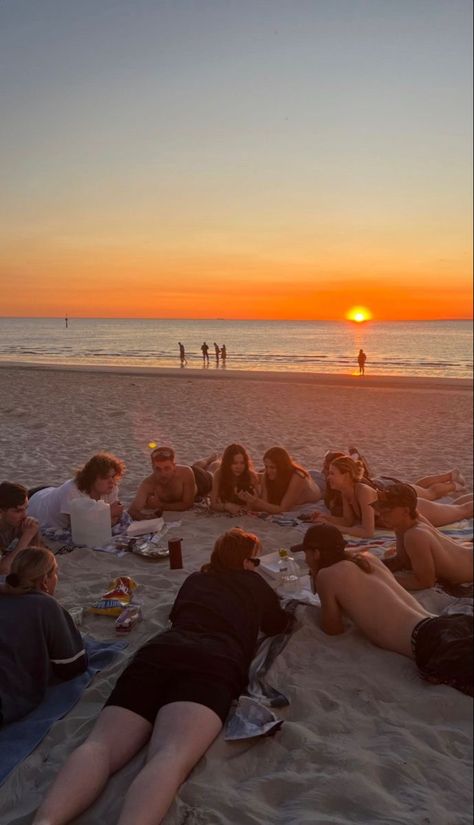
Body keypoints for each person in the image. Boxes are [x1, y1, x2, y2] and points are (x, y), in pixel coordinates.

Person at [33, 528, 293, 825]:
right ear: (247, 562)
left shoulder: (196, 579)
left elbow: (177, 615)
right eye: (255, 561)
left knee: (100, 746)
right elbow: (277, 624)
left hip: (160, 651)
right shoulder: (251, 581)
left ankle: (45, 821)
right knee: (170, 756)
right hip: (214, 661)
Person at [295, 524, 473, 696]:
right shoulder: (367, 558)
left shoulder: (326, 576)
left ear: (316, 554)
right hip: (447, 623)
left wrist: (317, 578)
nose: (306, 559)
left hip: (432, 642)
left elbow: (333, 629)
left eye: (306, 553)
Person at [0, 547, 87, 724]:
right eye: (55, 573)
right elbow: (71, 667)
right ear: (45, 580)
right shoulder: (44, 605)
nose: (57, 578)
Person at [311, 455, 473, 536]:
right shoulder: (345, 492)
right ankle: (455, 485)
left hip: (414, 511)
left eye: (332, 473)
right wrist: (326, 520)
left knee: (462, 511)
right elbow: (348, 521)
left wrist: (334, 527)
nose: (327, 477)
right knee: (456, 507)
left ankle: (452, 482)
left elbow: (368, 532)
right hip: (404, 513)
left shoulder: (362, 491)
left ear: (346, 475)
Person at [371, 484, 473, 591]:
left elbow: (425, 582)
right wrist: (375, 566)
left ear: (405, 511)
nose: (381, 516)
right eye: (380, 511)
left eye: (387, 512)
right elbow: (402, 560)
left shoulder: (415, 535)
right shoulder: (403, 525)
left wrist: (382, 577)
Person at [28, 453, 125, 530]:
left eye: (113, 476)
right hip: (36, 500)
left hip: (52, 492)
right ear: (91, 478)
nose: (111, 481)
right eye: (105, 477)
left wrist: (106, 516)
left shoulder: (111, 488)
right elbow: (79, 527)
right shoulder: (72, 491)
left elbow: (114, 519)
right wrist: (107, 513)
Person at [129, 446, 213, 518]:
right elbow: (133, 510)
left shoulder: (186, 472)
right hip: (190, 474)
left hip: (200, 481)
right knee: (197, 465)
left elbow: (187, 504)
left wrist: (161, 505)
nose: (163, 473)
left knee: (212, 469)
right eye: (158, 469)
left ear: (174, 465)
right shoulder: (148, 483)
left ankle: (211, 458)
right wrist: (145, 519)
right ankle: (208, 459)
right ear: (152, 467)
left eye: (167, 468)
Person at [239, 447, 321, 514]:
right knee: (256, 477)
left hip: (318, 486)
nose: (268, 471)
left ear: (282, 467)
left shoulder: (297, 477)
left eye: (272, 467)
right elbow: (265, 503)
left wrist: (255, 501)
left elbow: (283, 509)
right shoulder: (266, 475)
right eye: (266, 466)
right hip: (303, 479)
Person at [0, 482, 46, 574]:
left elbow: (39, 560)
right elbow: (4, 570)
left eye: (26, 509)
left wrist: (34, 533)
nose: (25, 515)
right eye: (18, 511)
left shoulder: (18, 523)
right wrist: (27, 536)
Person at [210, 444, 260, 515]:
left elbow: (257, 504)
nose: (239, 467)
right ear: (228, 463)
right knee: (212, 466)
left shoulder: (251, 476)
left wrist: (249, 503)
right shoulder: (219, 473)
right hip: (212, 472)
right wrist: (226, 506)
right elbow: (213, 504)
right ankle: (209, 459)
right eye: (235, 463)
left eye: (242, 463)